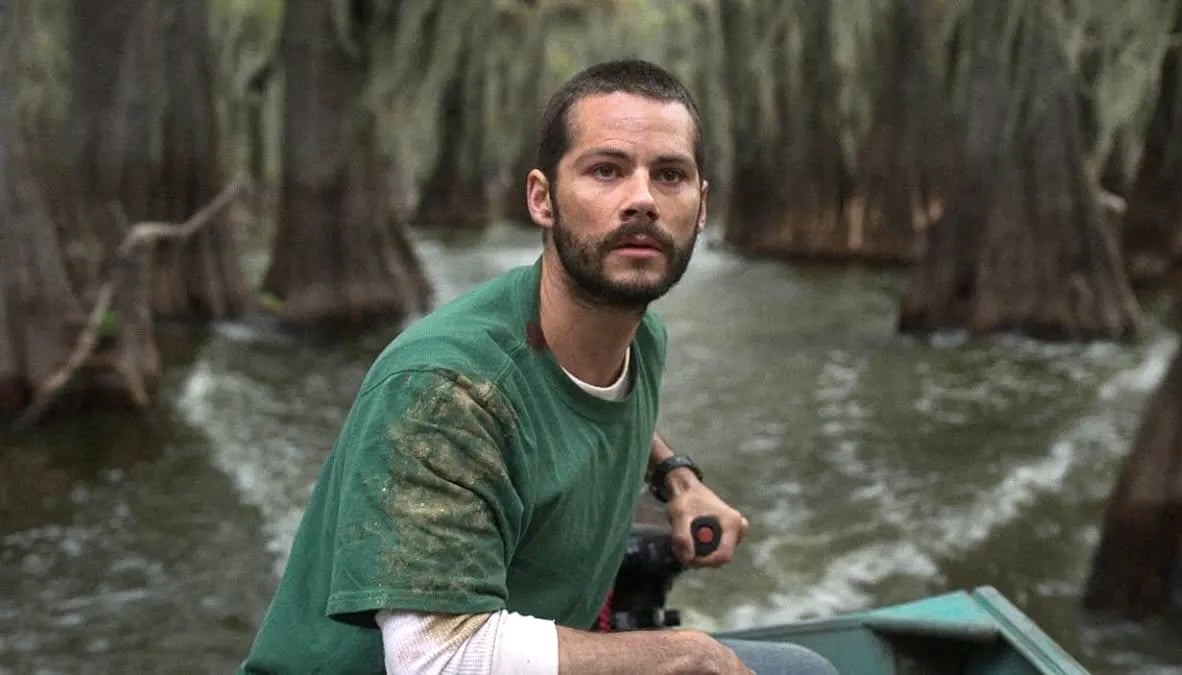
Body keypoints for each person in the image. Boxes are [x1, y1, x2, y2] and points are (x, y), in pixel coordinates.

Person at [241, 59, 837, 675]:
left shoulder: (638, 336)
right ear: (542, 198)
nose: (641, 200)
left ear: (701, 205)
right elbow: (435, 659)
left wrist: (677, 479)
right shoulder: (446, 390)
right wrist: (681, 653)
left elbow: (597, 404)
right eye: (605, 171)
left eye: (670, 176)